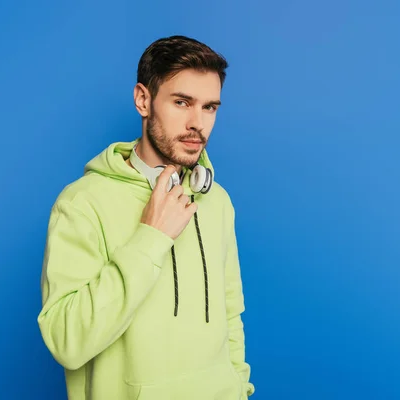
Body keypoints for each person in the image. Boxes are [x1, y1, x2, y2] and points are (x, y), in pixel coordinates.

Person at [38, 35, 254, 399]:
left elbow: (230, 316)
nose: (196, 123)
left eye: (209, 107)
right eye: (182, 102)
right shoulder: (81, 203)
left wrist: (238, 389)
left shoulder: (216, 200)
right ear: (143, 100)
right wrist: (149, 238)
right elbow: (65, 340)